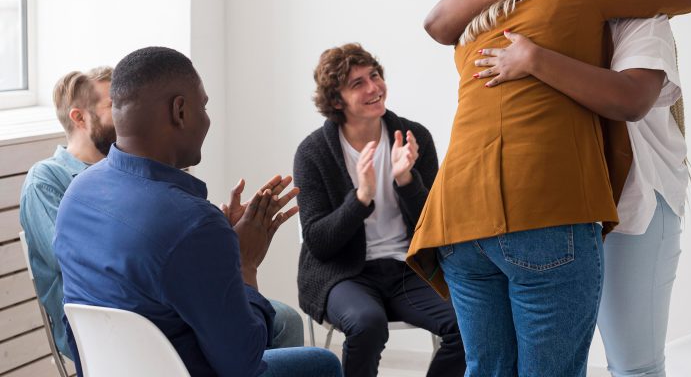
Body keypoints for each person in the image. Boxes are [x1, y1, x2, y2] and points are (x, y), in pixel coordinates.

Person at [406, 0, 691, 377]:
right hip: (545, 209)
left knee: (487, 368)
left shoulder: (473, 29)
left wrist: (534, 55)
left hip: (457, 222)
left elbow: (435, 22)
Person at [53, 47, 340, 377]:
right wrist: (242, 262)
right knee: (323, 363)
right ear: (180, 111)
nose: (206, 118)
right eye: (203, 106)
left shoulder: (77, 193)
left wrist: (217, 247)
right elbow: (243, 365)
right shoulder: (193, 224)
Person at [294, 44, 465, 377]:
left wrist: (406, 180)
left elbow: (434, 226)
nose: (374, 87)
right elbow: (318, 242)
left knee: (468, 324)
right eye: (357, 83)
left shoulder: (416, 138)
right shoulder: (312, 152)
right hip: (344, 274)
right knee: (367, 324)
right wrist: (361, 198)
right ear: (335, 100)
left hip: (406, 269)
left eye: (374, 75)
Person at [20, 66, 115, 359]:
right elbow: (75, 262)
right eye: (115, 105)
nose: (127, 113)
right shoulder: (46, 181)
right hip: (96, 333)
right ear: (79, 117)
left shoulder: (121, 171)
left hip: (144, 316)